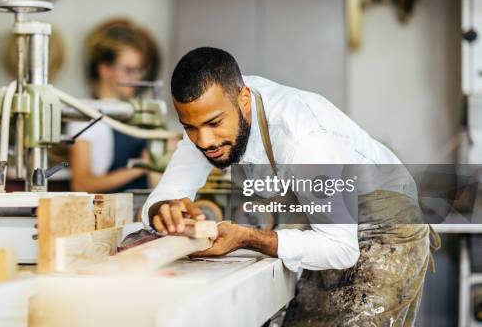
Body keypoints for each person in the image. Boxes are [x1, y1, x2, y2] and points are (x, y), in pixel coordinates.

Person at [141, 47, 438, 326]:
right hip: (326, 228)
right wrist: (164, 209)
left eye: (215, 124)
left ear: (243, 99)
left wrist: (248, 238)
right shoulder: (210, 111)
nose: (204, 141)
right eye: (190, 128)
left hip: (385, 228)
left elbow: (340, 248)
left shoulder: (303, 138)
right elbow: (169, 191)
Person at [68, 19, 159, 193]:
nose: (136, 78)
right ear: (104, 69)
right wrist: (140, 168)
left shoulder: (133, 112)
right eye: (128, 70)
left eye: (139, 70)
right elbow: (81, 184)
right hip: (106, 211)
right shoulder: (85, 116)